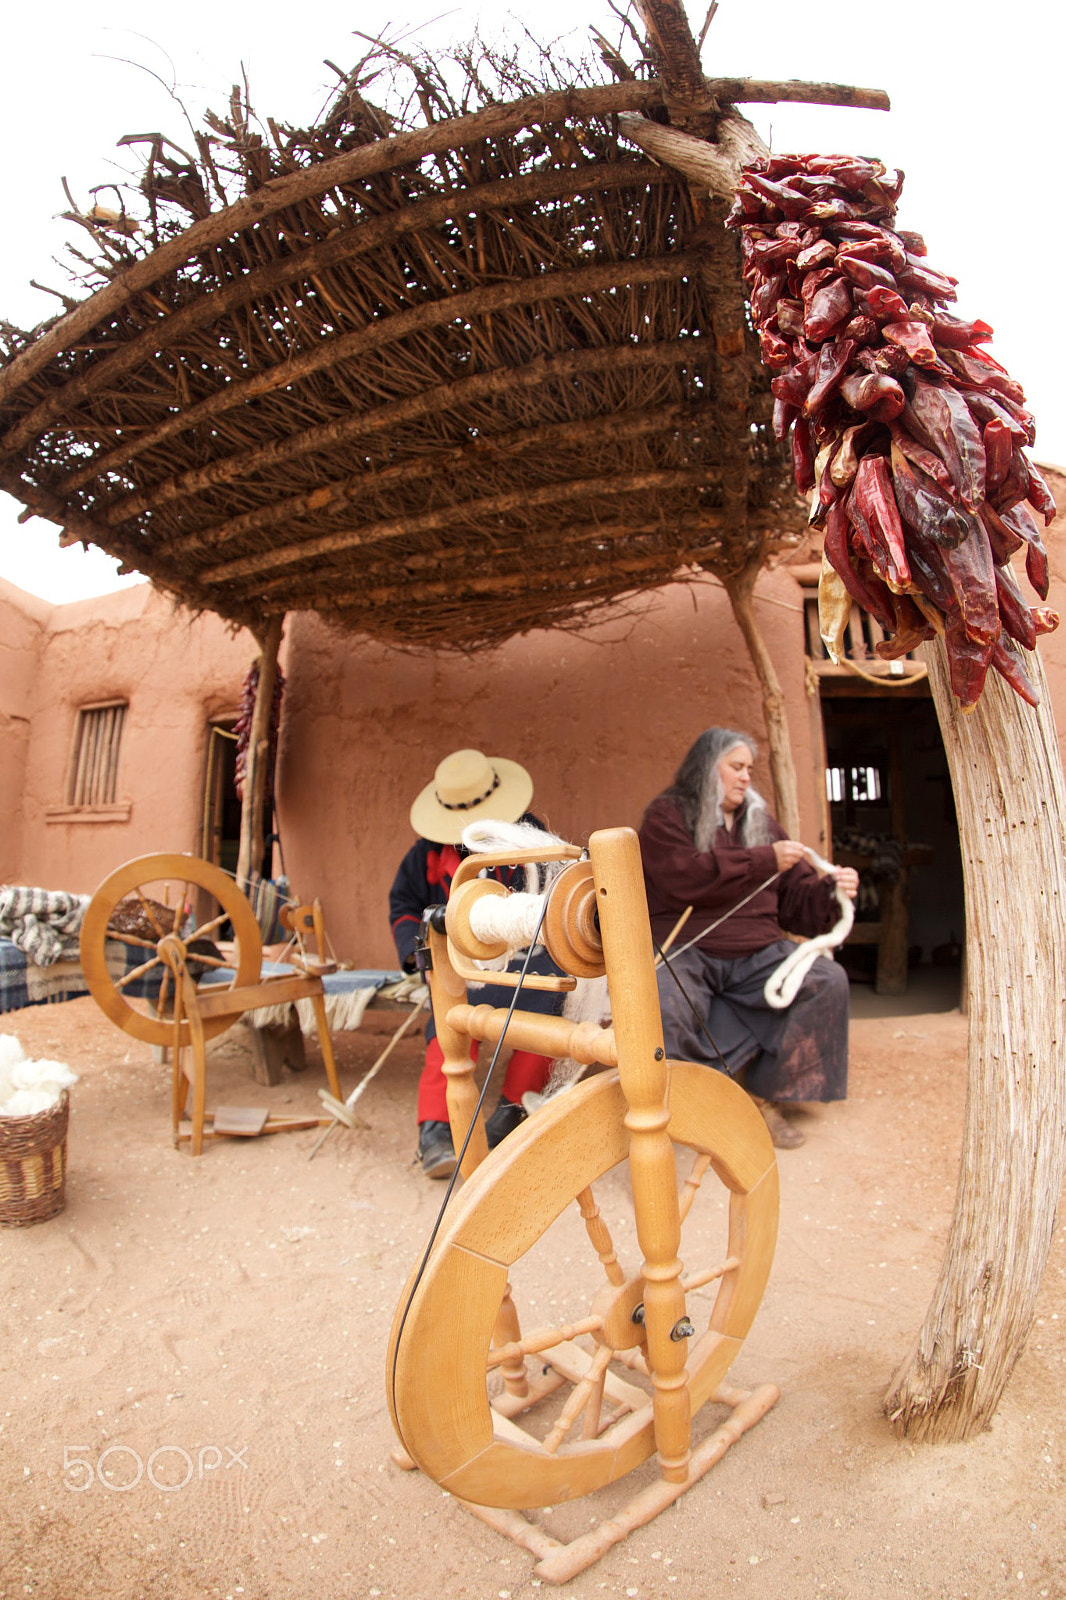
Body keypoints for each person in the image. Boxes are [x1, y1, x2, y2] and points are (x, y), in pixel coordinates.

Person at [638, 728, 859, 1149]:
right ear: (707, 766)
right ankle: (693, 1103)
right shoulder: (667, 817)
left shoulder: (762, 824)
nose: (745, 778)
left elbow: (795, 900)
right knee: (663, 1002)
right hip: (688, 950)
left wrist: (832, 891)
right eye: (736, 767)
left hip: (758, 953)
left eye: (749, 770)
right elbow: (684, 876)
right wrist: (762, 861)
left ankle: (761, 1094)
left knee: (825, 983)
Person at [389, 747, 562, 1179]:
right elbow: (405, 908)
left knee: (547, 1019)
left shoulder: (532, 840)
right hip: (462, 966)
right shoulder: (427, 855)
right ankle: (436, 1129)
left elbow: (556, 900)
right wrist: (420, 954)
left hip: (528, 961)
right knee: (450, 1027)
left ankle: (513, 1113)